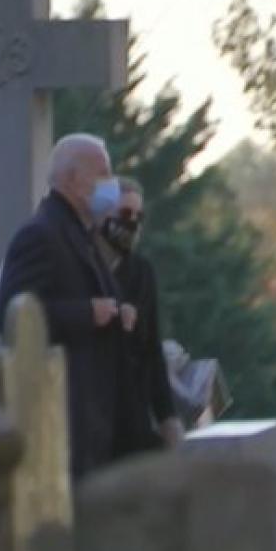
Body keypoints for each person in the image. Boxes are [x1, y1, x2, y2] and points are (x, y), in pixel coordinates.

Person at [0, 133, 124, 479]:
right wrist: (86, 314)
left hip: (93, 415)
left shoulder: (82, 233)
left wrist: (117, 311)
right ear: (71, 179)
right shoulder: (41, 235)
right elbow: (13, 315)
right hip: (64, 413)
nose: (110, 184)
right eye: (102, 173)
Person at [95, 177, 185, 455]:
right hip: (93, 416)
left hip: (133, 417)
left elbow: (151, 350)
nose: (131, 222)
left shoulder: (141, 272)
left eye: (138, 216)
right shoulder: (83, 267)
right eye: (124, 214)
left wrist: (168, 418)